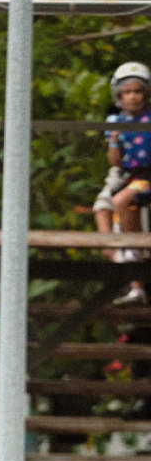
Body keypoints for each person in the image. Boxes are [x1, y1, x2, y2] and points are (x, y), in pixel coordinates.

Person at [97, 62, 151, 303]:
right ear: (119, 95)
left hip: (147, 176)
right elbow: (115, 161)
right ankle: (124, 260)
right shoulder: (115, 120)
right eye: (127, 92)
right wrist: (114, 139)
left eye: (137, 91)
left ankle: (133, 249)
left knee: (122, 200)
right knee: (110, 206)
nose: (132, 97)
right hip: (130, 176)